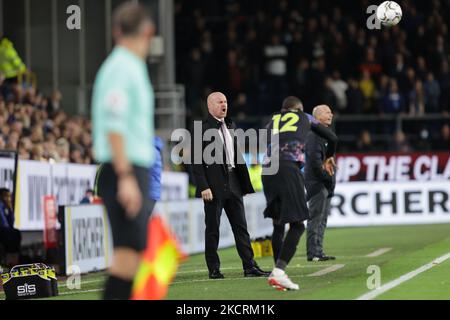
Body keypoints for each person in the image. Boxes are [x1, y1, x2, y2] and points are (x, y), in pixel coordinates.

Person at [92, 2, 156, 300]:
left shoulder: (127, 66)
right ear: (148, 31)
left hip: (129, 168)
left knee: (132, 256)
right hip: (124, 168)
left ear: (116, 31)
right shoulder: (123, 67)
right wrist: (126, 176)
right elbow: (114, 126)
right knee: (127, 257)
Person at [262, 96, 337, 291]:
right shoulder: (305, 117)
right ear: (300, 108)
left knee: (278, 223)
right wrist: (329, 157)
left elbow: (266, 141)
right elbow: (332, 138)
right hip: (288, 167)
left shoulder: (272, 119)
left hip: (267, 169)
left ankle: (277, 270)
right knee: (297, 224)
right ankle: (279, 272)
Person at [192, 91, 270, 279]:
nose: (224, 104)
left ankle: (249, 266)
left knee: (241, 227)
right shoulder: (200, 129)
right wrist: (203, 186)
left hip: (233, 181)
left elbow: (236, 156)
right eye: (220, 102)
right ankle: (214, 269)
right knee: (213, 229)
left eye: (225, 101)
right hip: (214, 184)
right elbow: (195, 162)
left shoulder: (230, 125)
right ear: (210, 106)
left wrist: (243, 185)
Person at [305, 105, 337, 262]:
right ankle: (313, 252)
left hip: (325, 182)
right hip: (318, 183)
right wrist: (326, 177)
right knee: (315, 218)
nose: (330, 114)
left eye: (331, 112)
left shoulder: (325, 135)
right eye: (326, 112)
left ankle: (319, 250)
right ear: (317, 116)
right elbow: (314, 162)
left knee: (322, 218)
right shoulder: (314, 135)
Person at [0, 188, 21, 268]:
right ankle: (10, 261)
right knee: (12, 234)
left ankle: (13, 260)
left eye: (9, 196)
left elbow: (11, 223)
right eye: (6, 196)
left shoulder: (6, 207)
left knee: (15, 233)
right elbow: (4, 224)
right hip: (2, 230)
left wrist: (10, 208)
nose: (8, 198)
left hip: (4, 231)